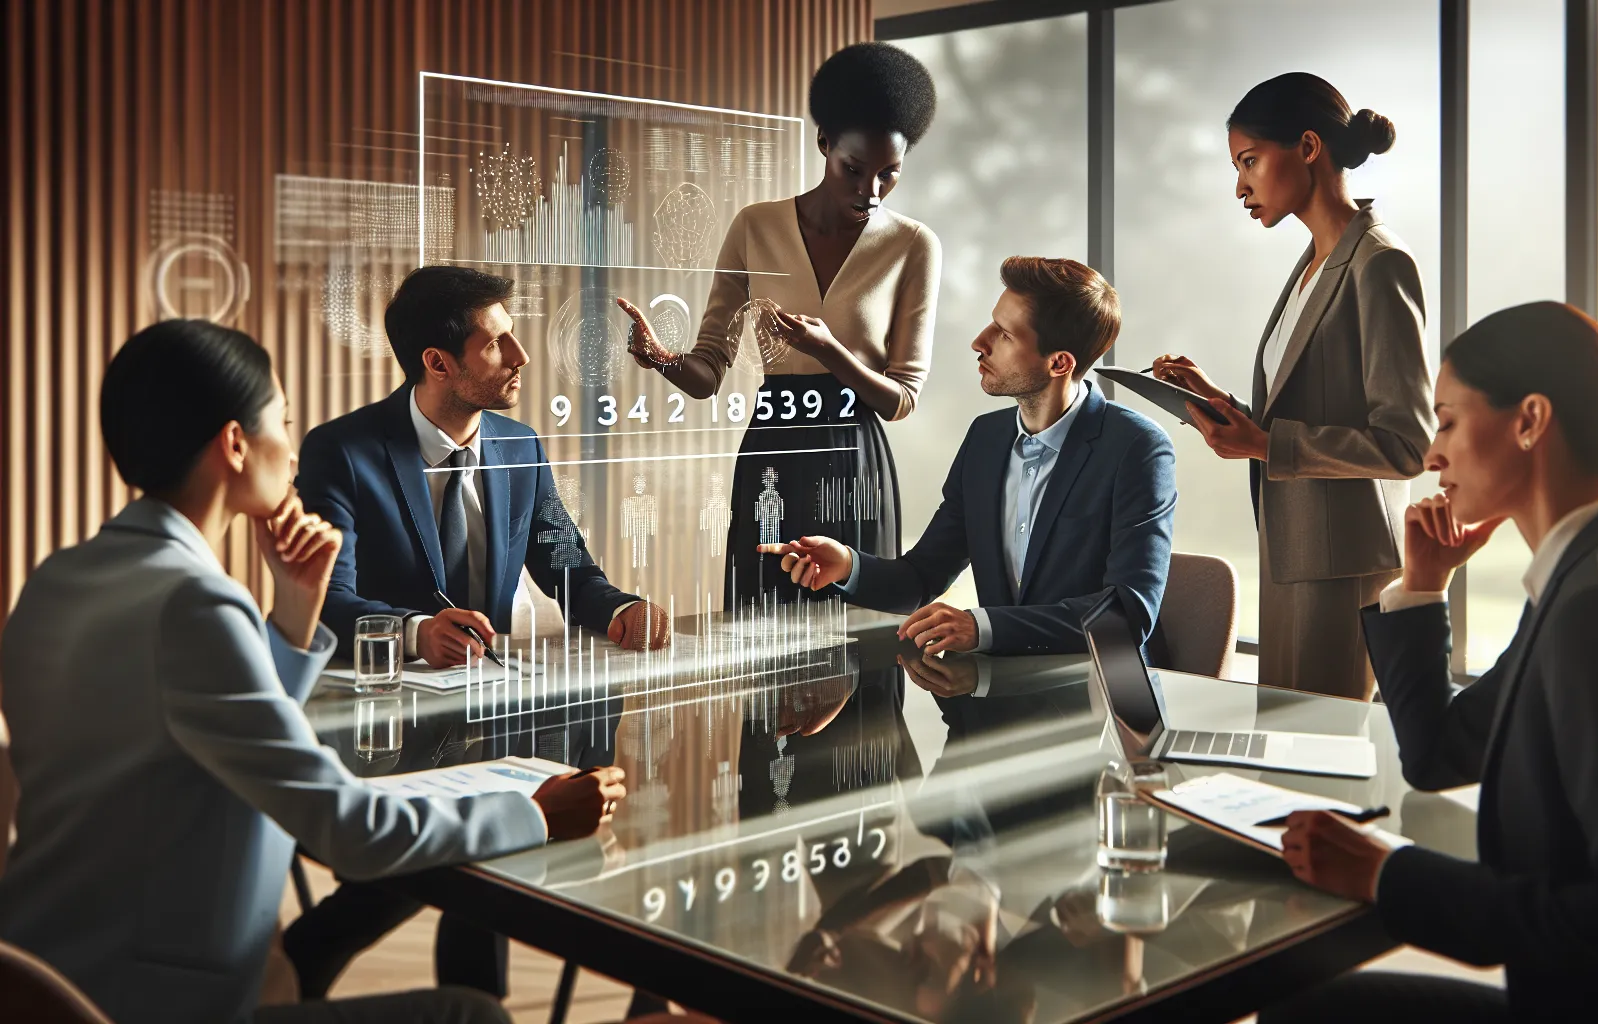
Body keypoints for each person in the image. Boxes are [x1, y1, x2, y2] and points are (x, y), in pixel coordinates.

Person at [0, 320, 626, 1024]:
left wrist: (296, 611)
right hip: (157, 1001)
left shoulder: (59, 579)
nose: (293, 453)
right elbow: (349, 832)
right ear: (235, 444)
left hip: (35, 980)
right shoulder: (196, 603)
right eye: (283, 423)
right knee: (471, 1016)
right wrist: (534, 813)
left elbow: (196, 733)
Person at [1264, 302, 1598, 1022]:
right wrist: (1423, 587)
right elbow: (1442, 753)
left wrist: (1387, 874)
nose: (1431, 454)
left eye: (1447, 420)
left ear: (1530, 421)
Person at [287, 266, 667, 1001]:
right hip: (387, 727)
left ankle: (468, 999)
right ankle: (307, 960)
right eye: (497, 345)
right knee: (457, 856)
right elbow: (324, 601)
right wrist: (413, 631)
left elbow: (566, 565)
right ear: (438, 362)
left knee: (518, 844)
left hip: (497, 717)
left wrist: (618, 609)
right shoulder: (344, 450)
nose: (521, 357)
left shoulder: (519, 445)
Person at [621, 41, 941, 606]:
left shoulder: (914, 244)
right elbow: (707, 373)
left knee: (857, 637)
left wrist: (829, 352)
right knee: (763, 624)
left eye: (889, 174)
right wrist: (661, 358)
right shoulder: (756, 226)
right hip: (772, 449)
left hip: (853, 457)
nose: (870, 190)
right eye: (854, 169)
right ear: (823, 144)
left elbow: (902, 399)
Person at [1152, 72, 1433, 699]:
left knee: (1314, 756)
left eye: (1249, 161)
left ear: (1308, 147)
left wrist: (1266, 446)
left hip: (1343, 566)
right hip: (1293, 554)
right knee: (1285, 754)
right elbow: (1307, 407)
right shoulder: (1313, 263)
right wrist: (1219, 403)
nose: (1240, 185)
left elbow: (1406, 445)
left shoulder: (1379, 263)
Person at [760, 257, 1176, 660]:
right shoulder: (986, 439)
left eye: (1005, 334)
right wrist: (848, 565)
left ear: (1059, 362)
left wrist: (983, 627)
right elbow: (922, 576)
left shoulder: (1137, 448)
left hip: (1095, 704)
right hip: (994, 698)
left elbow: (1127, 615)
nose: (980, 342)